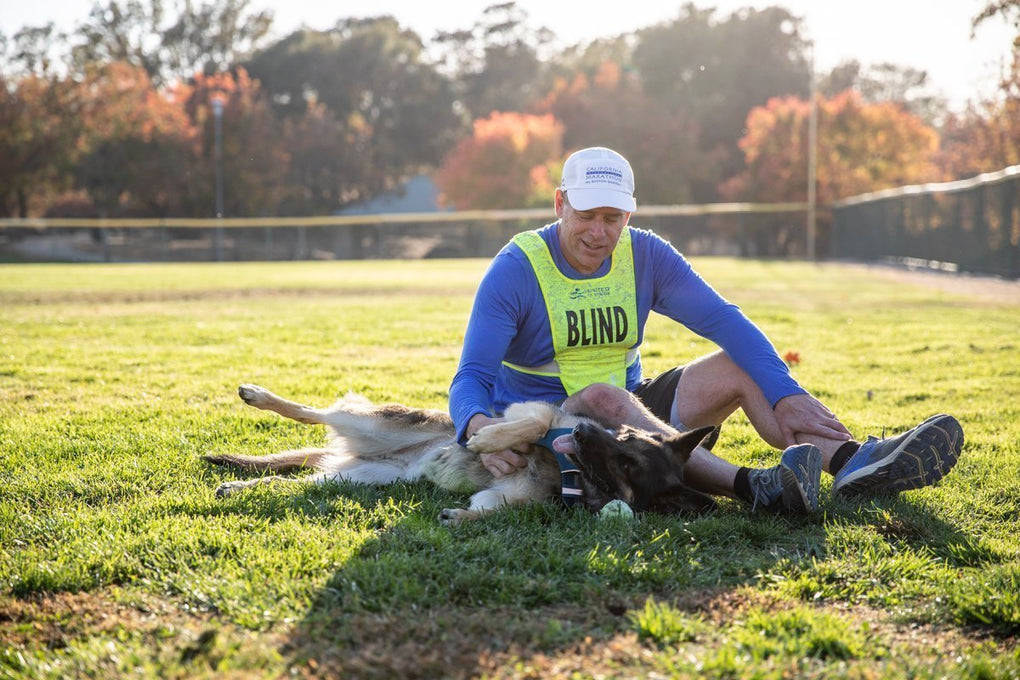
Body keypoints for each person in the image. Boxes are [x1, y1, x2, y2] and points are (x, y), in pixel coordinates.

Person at [448, 146, 963, 512]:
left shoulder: (646, 253)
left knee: (740, 366)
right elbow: (470, 375)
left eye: (614, 217)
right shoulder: (517, 268)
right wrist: (479, 429)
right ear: (560, 204)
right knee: (605, 397)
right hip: (555, 430)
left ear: (630, 212)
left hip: (630, 408)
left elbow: (723, 320)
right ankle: (752, 486)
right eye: (586, 215)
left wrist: (785, 392)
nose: (599, 232)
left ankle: (852, 463)